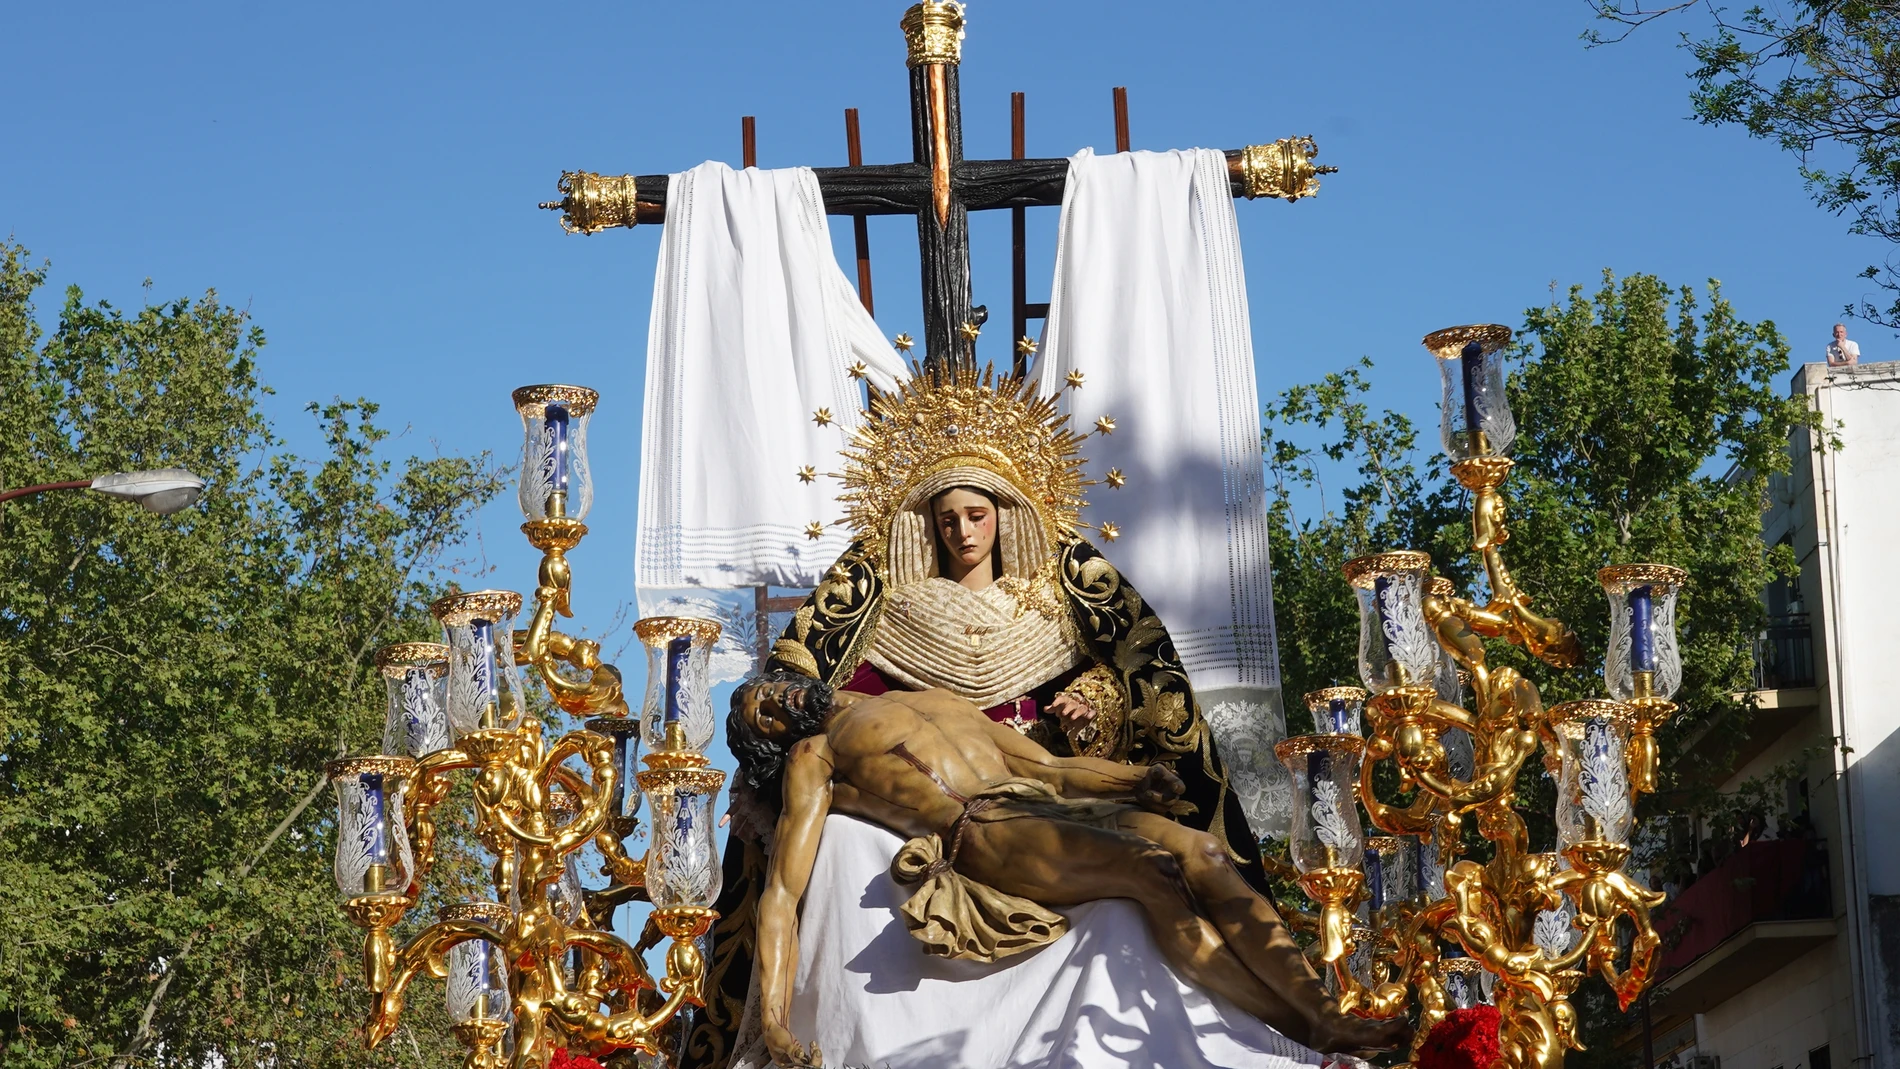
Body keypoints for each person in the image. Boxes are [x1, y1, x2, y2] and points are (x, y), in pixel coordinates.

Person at [684, 367, 1282, 1069]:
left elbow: (1133, 684)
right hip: (919, 811)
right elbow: (822, 701)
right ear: (927, 528)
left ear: (1006, 515)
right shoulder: (892, 613)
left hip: (1031, 788)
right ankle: (860, 1044)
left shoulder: (1058, 607)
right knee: (840, 845)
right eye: (947, 520)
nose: (963, 532)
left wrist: (1091, 704)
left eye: (977, 515)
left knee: (1134, 892)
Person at [730, 672, 1410, 1067]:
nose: (778, 703)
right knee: (1154, 874)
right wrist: (779, 1023)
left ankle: (1321, 1008)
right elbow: (784, 897)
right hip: (987, 829)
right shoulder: (814, 756)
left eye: (771, 691)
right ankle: (1304, 1027)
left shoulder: (930, 696)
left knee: (1200, 851)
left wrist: (1131, 781)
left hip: (1044, 802)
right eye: (764, 713)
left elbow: (1050, 767)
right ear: (772, 739)